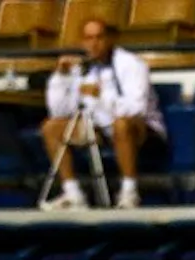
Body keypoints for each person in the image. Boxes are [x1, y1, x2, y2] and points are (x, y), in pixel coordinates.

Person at [41, 19, 166, 211]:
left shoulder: (131, 64)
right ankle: (73, 194)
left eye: (99, 37)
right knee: (52, 127)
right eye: (89, 38)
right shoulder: (81, 68)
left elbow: (136, 108)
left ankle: (129, 192)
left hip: (143, 130)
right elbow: (59, 110)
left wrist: (101, 95)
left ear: (110, 39)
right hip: (98, 128)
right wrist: (61, 77)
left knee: (121, 124)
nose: (94, 43)